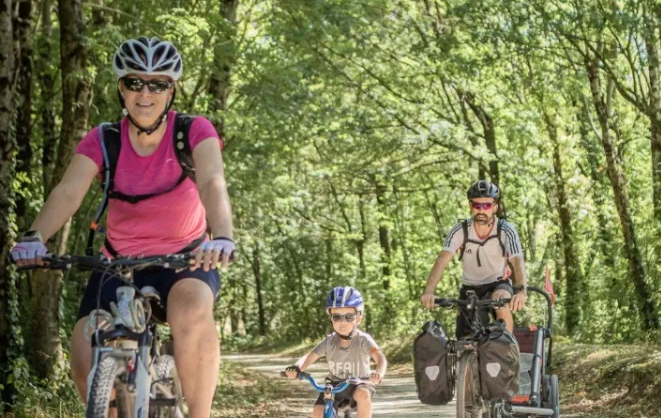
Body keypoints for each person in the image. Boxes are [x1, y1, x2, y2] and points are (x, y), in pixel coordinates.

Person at [11, 36, 234, 418]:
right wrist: (34, 237)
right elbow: (68, 191)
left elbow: (213, 182)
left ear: (171, 90)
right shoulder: (104, 139)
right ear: (121, 88)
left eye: (157, 84)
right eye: (135, 82)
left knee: (191, 309)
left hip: (184, 259)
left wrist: (223, 234)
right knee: (85, 346)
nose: (145, 93)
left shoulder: (194, 130)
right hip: (119, 263)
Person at [420, 180, 527, 335]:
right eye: (477, 205)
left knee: (500, 301)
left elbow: (517, 259)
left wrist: (521, 290)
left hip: (497, 283)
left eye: (487, 206)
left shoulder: (505, 230)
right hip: (470, 289)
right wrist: (429, 290)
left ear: (495, 207)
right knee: (465, 340)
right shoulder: (460, 230)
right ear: (471, 206)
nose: (481, 210)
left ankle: (509, 350)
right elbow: (442, 259)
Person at [284, 287, 388, 418]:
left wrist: (379, 373)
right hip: (334, 386)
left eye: (349, 317)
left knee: (363, 394)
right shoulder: (329, 342)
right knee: (318, 412)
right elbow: (309, 357)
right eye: (336, 317)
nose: (342, 322)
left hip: (360, 382)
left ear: (359, 318)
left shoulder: (363, 340)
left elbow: (380, 357)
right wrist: (297, 368)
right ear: (330, 318)